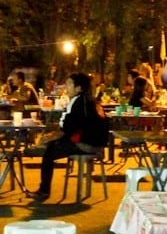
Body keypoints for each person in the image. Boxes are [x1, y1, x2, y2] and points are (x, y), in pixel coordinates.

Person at [27, 73, 109, 203]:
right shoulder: (89, 100)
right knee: (52, 145)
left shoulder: (78, 102)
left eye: (70, 84)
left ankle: (43, 191)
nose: (66, 86)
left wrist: (48, 138)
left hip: (86, 144)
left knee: (49, 152)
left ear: (79, 88)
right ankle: (43, 189)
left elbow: (67, 129)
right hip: (97, 144)